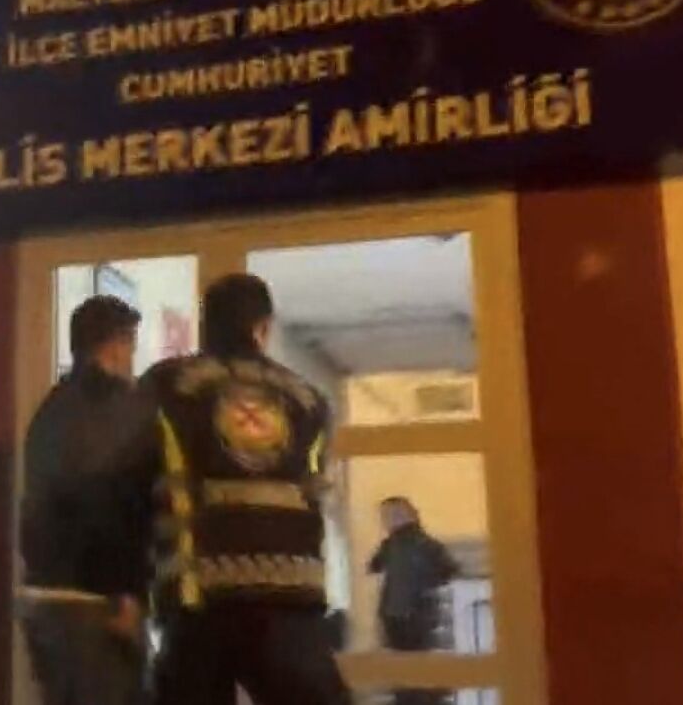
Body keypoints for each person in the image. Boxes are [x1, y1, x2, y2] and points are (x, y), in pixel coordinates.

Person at [117, 273, 352, 705]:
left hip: (199, 596)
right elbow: (316, 493)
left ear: (206, 323)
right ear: (263, 327)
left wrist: (128, 588)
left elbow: (129, 492)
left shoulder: (165, 386)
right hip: (291, 598)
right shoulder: (310, 400)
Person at [19, 295, 149, 705]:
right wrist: (126, 592)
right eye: (130, 345)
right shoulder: (119, 411)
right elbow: (111, 508)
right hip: (97, 603)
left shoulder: (50, 411)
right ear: (115, 346)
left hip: (44, 600)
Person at [368, 497, 459, 705]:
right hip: (416, 614)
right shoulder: (426, 544)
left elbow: (374, 566)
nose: (385, 521)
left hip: (400, 614)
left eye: (389, 516)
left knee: (405, 671)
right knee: (417, 669)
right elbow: (449, 570)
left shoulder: (393, 545)